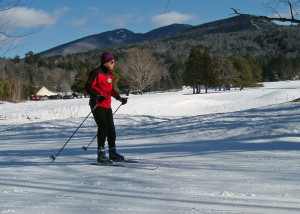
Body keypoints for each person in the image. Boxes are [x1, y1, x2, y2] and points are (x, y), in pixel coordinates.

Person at [85, 52, 127, 163]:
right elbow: (87, 87)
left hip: (107, 104)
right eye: (112, 62)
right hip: (97, 104)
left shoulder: (110, 75)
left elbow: (111, 90)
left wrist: (120, 98)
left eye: (114, 61)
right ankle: (101, 154)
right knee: (103, 127)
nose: (114, 64)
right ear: (105, 63)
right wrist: (97, 96)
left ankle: (112, 152)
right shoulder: (96, 73)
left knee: (111, 129)